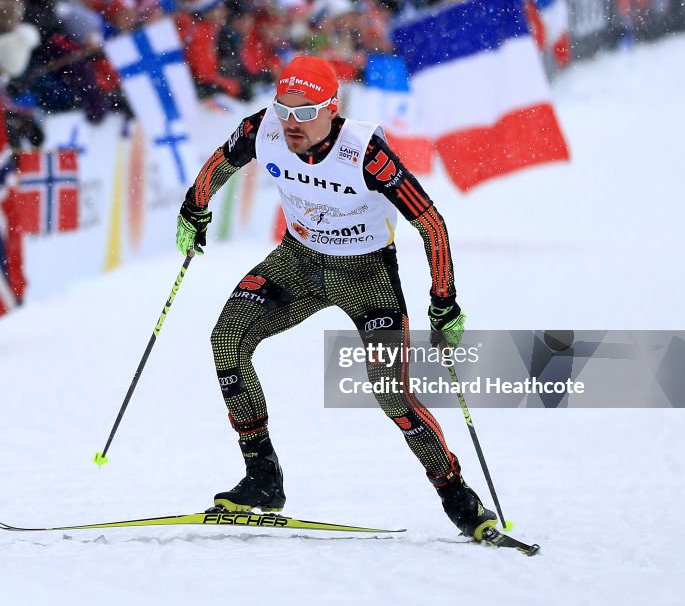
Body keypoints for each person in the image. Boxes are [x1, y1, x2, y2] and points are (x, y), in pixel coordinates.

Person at [174, 55, 497, 540]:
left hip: (367, 278)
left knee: (392, 393)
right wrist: (193, 207)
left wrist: (443, 301)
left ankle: (457, 496)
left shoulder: (364, 153)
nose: (291, 123)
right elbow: (220, 162)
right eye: (285, 109)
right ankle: (263, 477)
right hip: (298, 262)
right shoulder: (262, 129)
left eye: (306, 113)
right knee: (227, 339)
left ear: (333, 108)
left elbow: (429, 221)